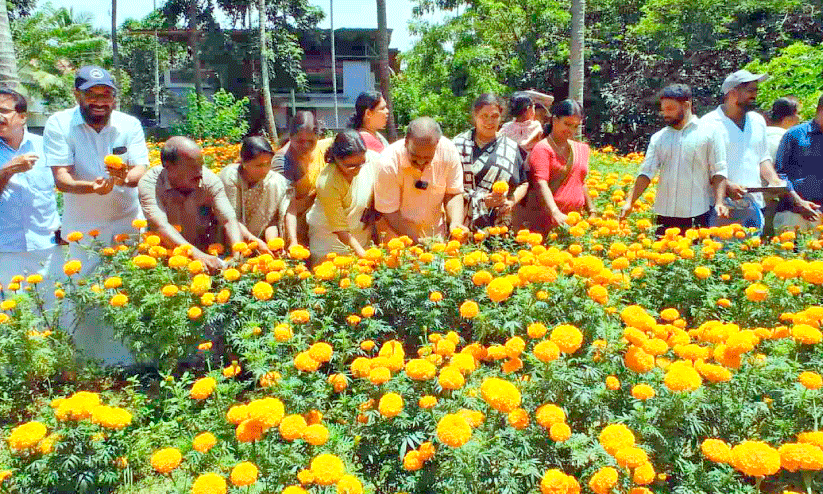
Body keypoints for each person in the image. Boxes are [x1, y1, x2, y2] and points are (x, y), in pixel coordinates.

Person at [44, 66, 148, 272]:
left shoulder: (129, 124)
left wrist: (123, 179)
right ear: (77, 95)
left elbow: (140, 169)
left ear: (114, 97)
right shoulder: (59, 124)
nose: (100, 102)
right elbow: (62, 177)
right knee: (88, 293)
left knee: (131, 286)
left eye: (106, 95)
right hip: (83, 229)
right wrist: (93, 187)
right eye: (91, 95)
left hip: (127, 223)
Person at [138, 136, 260, 273]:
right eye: (192, 167)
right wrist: (198, 255)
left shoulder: (210, 181)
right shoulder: (150, 184)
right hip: (162, 260)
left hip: (204, 252)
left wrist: (238, 252)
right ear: (168, 166)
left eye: (201, 165)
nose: (200, 172)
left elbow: (229, 219)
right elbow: (160, 226)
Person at [620, 84, 729, 235]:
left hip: (697, 215)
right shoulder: (659, 138)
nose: (665, 114)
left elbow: (719, 171)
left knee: (693, 258)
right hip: (664, 217)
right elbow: (646, 173)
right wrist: (629, 202)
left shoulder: (709, 133)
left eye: (670, 109)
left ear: (686, 105)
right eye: (663, 109)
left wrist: (719, 202)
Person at [701, 69, 784, 231]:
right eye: (750, 91)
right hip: (720, 207)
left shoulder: (757, 121)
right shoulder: (709, 124)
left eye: (756, 90)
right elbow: (702, 166)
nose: (755, 95)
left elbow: (763, 157)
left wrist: (774, 180)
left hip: (754, 204)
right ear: (732, 94)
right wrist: (727, 185)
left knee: (751, 252)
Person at [0, 88, 61, 296]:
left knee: (52, 316)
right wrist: (7, 170)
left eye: (4, 110)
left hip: (47, 246)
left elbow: (65, 186)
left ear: (23, 117)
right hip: (6, 249)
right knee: (14, 317)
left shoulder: (46, 146)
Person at [374, 117, 466, 242]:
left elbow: (453, 193)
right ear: (406, 142)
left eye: (427, 158)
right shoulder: (387, 163)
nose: (421, 162)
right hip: (397, 237)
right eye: (414, 156)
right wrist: (416, 241)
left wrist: (455, 223)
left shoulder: (448, 151)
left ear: (437, 145)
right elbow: (389, 212)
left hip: (435, 234)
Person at [452, 93, 528, 229]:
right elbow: (447, 187)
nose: (489, 121)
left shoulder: (510, 148)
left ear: (501, 118)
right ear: (475, 116)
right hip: (461, 222)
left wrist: (511, 202)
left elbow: (524, 183)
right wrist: (481, 200)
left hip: (497, 225)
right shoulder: (457, 145)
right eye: (484, 116)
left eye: (494, 116)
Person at [519, 99, 595, 233]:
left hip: (575, 223)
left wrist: (592, 212)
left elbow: (581, 182)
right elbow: (540, 183)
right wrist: (555, 212)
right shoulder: (543, 149)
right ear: (554, 120)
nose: (570, 130)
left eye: (575, 126)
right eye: (567, 124)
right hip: (548, 222)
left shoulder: (581, 149)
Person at [306, 130, 379, 263]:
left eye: (361, 164)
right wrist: (364, 257)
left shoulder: (372, 160)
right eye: (351, 166)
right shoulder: (327, 183)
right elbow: (340, 230)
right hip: (329, 244)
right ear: (337, 159)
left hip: (362, 239)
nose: (357, 169)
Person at [219, 136, 289, 243]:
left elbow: (270, 222)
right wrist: (254, 241)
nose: (265, 170)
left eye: (268, 164)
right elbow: (230, 219)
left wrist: (273, 244)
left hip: (260, 245)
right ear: (243, 163)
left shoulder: (275, 182)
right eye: (259, 165)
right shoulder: (230, 177)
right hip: (228, 240)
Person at [772, 94, 823, 232]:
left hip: (821, 216)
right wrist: (798, 202)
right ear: (820, 109)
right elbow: (780, 173)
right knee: (788, 253)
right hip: (792, 213)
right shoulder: (794, 134)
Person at [273, 111, 323, 248]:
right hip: (291, 227)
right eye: (300, 141)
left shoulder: (321, 150)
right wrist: (293, 241)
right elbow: (288, 207)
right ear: (290, 137)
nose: (306, 146)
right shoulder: (283, 162)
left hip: (313, 224)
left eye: (311, 141)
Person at [766, 96, 801, 161]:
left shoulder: (759, 136)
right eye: (797, 114)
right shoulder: (787, 143)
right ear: (788, 119)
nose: (799, 118)